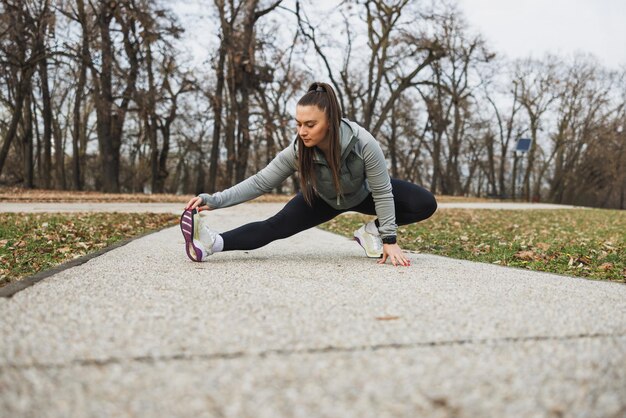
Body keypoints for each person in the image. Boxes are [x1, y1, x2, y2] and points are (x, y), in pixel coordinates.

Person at [181, 82, 437, 267]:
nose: (302, 131)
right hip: (322, 198)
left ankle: (372, 231)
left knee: (424, 203)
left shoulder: (363, 143)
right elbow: (260, 182)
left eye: (310, 124)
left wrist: (389, 238)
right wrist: (214, 199)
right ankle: (211, 243)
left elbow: (382, 192)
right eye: (298, 123)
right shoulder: (297, 150)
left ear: (331, 122)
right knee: (274, 227)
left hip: (363, 193)